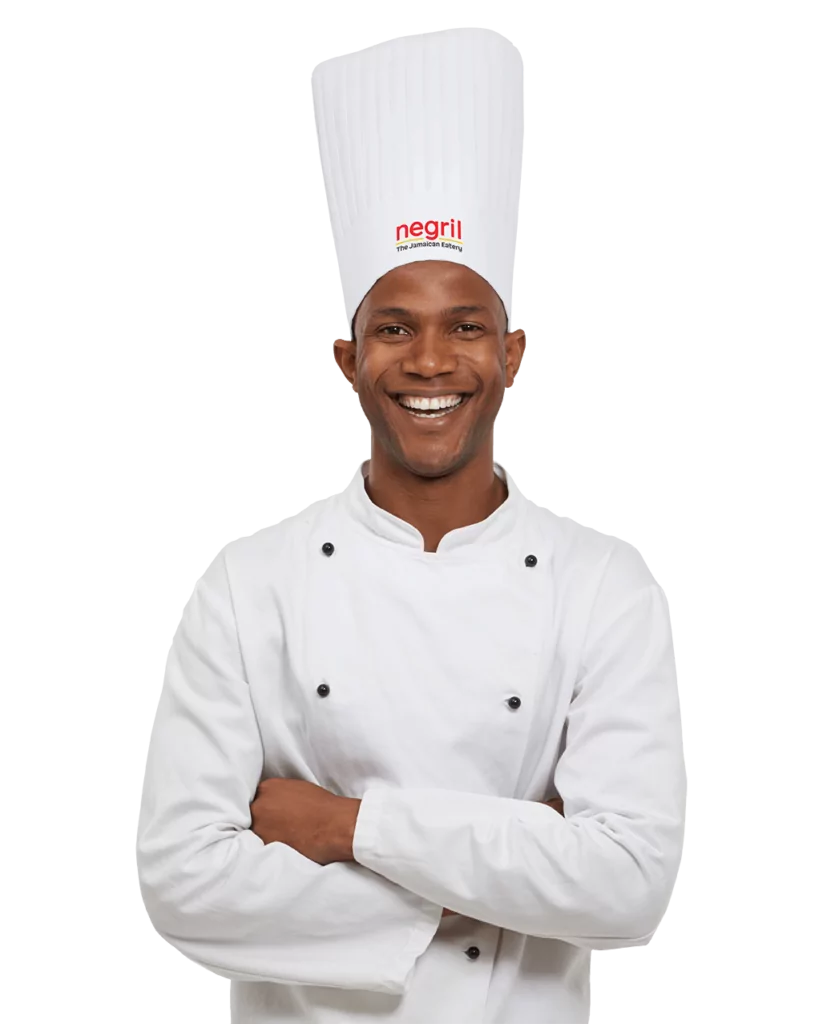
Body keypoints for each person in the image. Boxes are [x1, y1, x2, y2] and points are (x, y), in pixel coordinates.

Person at [137, 27, 682, 1024]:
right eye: (393, 327)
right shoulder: (248, 580)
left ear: (512, 354)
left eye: (466, 325)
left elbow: (630, 887)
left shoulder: (605, 581)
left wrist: (343, 825)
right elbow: (179, 883)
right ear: (347, 359)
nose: (430, 362)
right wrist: (514, 874)